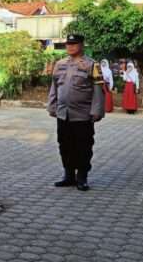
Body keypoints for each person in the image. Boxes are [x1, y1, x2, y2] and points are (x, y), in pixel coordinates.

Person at [48, 34, 105, 191]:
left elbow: (98, 90)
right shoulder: (59, 64)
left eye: (74, 44)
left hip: (82, 114)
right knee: (64, 145)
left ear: (82, 45)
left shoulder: (91, 65)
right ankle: (68, 175)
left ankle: (82, 177)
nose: (70, 46)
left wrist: (97, 110)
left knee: (83, 147)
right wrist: (51, 106)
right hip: (63, 113)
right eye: (68, 44)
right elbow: (54, 87)